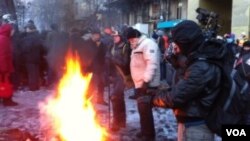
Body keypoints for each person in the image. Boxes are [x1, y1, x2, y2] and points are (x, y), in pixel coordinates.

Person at [152, 20, 226, 141]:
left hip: (197, 127)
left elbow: (177, 97)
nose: (176, 47)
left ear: (187, 43)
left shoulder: (201, 66)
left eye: (178, 43)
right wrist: (176, 61)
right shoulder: (199, 57)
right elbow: (185, 82)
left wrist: (154, 98)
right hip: (192, 122)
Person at [126, 27, 161, 141]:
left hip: (147, 84)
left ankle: (148, 136)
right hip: (139, 84)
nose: (130, 41)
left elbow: (152, 64)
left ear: (137, 35)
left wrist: (145, 82)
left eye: (132, 39)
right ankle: (145, 131)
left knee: (145, 110)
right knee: (142, 110)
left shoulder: (148, 44)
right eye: (129, 40)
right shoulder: (137, 46)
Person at [107, 31, 131, 132]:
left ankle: (116, 123)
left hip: (123, 76)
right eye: (113, 36)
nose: (114, 38)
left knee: (115, 97)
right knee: (119, 98)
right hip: (115, 76)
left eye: (116, 36)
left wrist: (112, 58)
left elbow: (125, 63)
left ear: (121, 36)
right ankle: (122, 122)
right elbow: (108, 61)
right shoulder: (112, 46)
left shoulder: (126, 47)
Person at [0, 14, 17, 106]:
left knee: (3, 84)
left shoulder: (3, 37)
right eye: (12, 30)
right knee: (5, 84)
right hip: (3, 68)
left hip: (4, 66)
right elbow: (2, 55)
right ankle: (7, 100)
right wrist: (4, 69)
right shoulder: (4, 39)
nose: (13, 32)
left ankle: (5, 99)